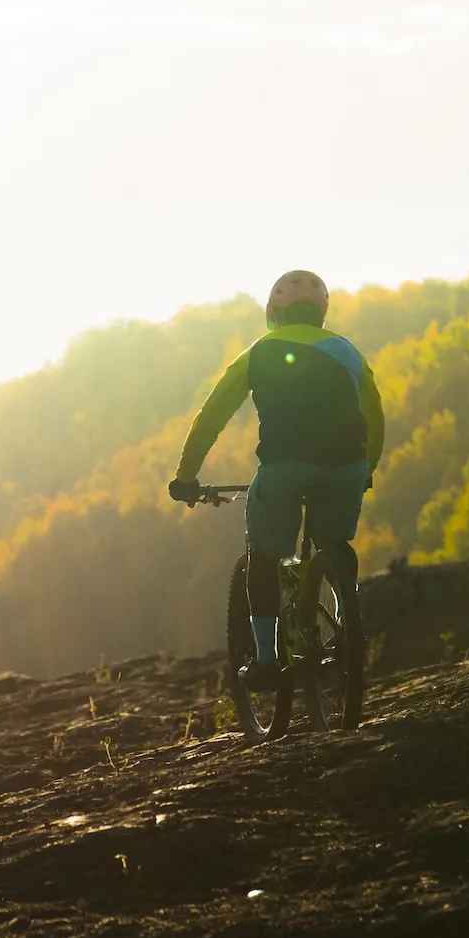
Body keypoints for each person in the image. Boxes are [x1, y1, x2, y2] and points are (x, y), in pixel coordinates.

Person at [168, 270, 385, 673]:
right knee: (335, 542)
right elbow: (374, 416)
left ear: (274, 311)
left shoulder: (257, 352)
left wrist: (186, 477)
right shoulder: (349, 352)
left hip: (284, 470)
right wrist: (366, 469)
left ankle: (266, 660)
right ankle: (348, 628)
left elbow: (211, 417)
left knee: (265, 556)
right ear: (321, 312)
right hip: (347, 469)